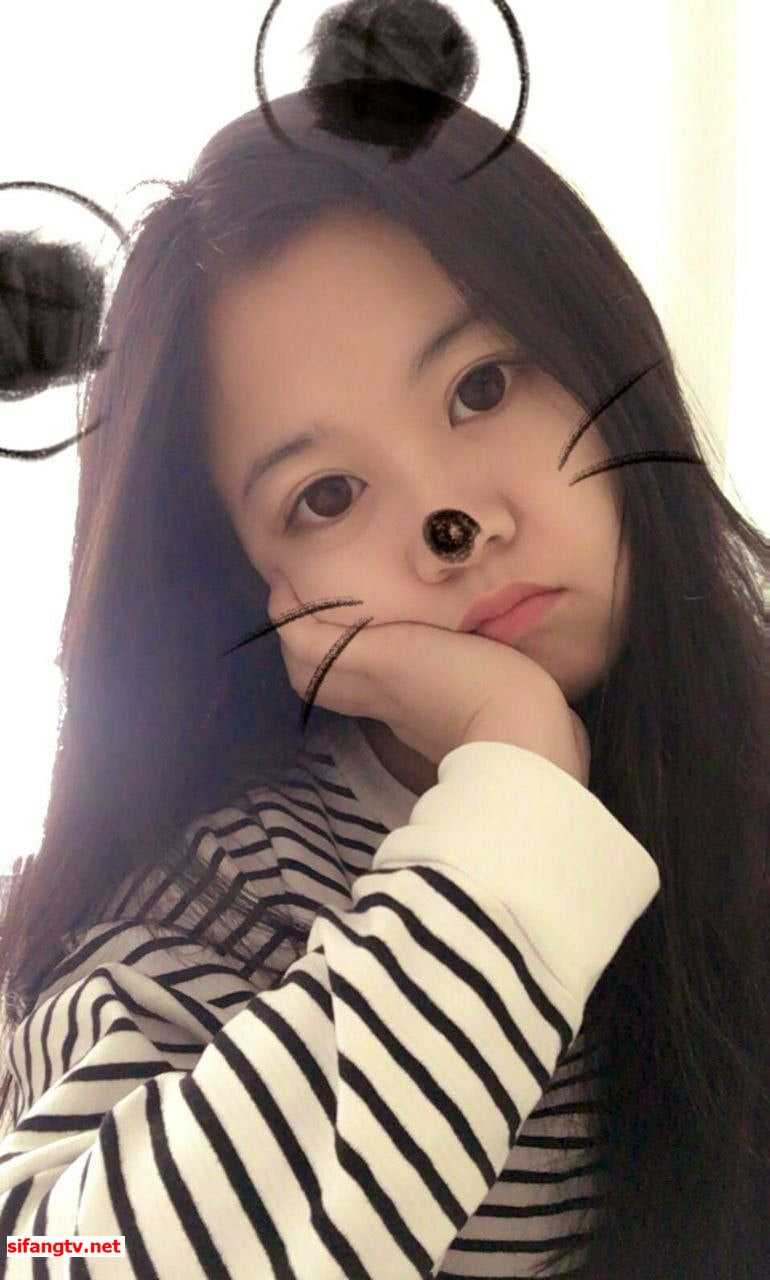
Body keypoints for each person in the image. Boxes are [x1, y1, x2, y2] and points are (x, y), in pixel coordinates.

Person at [0, 3, 767, 1276]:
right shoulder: (225, 898)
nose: (450, 524)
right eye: (325, 496)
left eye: (481, 386)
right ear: (260, 590)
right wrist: (514, 781)